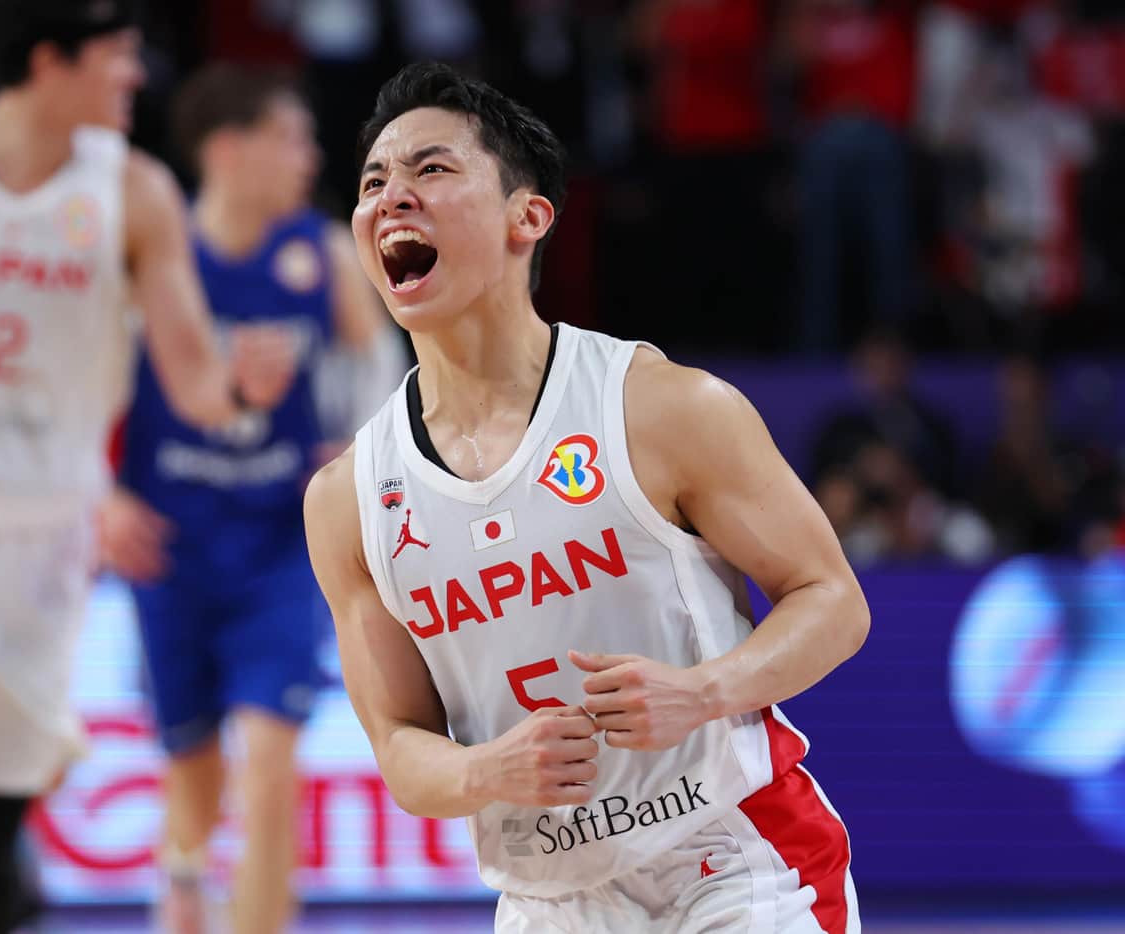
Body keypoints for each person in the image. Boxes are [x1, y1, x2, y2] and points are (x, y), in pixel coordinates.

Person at [304, 62, 869, 932]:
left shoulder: (660, 406)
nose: (392, 197)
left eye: (432, 169)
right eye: (373, 182)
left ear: (527, 218)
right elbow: (402, 748)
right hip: (549, 900)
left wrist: (705, 692)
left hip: (735, 856)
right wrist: (486, 771)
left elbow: (833, 601)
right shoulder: (348, 497)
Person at [0, 4, 296, 933]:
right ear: (50, 59)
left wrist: (240, 390)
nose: (137, 75)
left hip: (41, 532)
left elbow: (192, 377)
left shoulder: (134, 191)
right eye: (118, 56)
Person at [97, 63, 393, 934]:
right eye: (289, 138)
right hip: (171, 543)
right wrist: (101, 496)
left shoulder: (324, 251)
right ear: (227, 149)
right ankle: (183, 869)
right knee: (192, 765)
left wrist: (361, 447)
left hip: (279, 546)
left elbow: (381, 369)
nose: (309, 157)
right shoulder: (154, 253)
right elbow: (89, 384)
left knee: (270, 763)